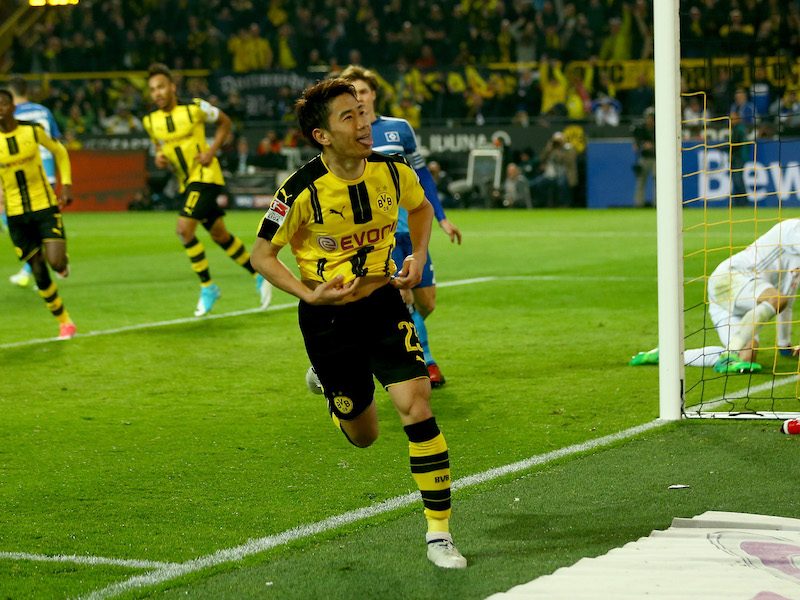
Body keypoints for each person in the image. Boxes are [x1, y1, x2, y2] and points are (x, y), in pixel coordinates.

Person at [249, 78, 467, 569]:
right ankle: (332, 388)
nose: (363, 123)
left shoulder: (392, 171)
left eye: (362, 113)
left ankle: (439, 533)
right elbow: (262, 256)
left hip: (383, 302)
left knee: (417, 405)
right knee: (364, 435)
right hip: (327, 319)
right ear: (322, 135)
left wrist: (419, 255)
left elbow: (421, 208)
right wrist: (308, 293)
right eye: (348, 117)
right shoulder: (299, 190)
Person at [340, 65, 462, 388]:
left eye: (363, 91)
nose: (359, 98)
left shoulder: (399, 129)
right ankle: (425, 362)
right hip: (381, 234)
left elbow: (422, 177)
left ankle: (379, 344)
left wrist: (442, 218)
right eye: (352, 93)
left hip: (414, 227)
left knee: (426, 302)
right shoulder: (347, 136)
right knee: (402, 297)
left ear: (373, 94)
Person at [142, 63, 271, 317]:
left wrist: (212, 151)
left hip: (205, 177)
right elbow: (159, 146)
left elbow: (225, 122)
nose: (157, 93)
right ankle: (258, 273)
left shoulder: (195, 108)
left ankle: (207, 286)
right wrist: (159, 157)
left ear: (172, 87)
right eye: (153, 89)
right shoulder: (150, 121)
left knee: (183, 229)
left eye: (161, 87)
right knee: (220, 234)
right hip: (186, 183)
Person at [630, 219, 800, 373]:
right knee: (776, 299)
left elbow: (787, 301)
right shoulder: (792, 229)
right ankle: (731, 352)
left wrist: (784, 344)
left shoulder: (795, 265)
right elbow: (779, 300)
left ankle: (668, 356)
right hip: (731, 278)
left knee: (746, 357)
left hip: (742, 301)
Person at [0, 88, 77, 340]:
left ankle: (62, 262)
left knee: (56, 262)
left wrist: (66, 185)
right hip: (16, 215)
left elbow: (60, 151)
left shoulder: (32, 131)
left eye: (2, 105)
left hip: (44, 206)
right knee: (38, 268)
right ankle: (64, 322)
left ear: (12, 107)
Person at [5, 76, 63, 289]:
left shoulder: (11, 116)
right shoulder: (43, 111)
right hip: (48, 175)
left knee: (15, 220)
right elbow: (56, 141)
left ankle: (34, 270)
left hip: (25, 177)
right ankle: (50, 262)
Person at [632, 107, 656, 207]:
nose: (649, 120)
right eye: (648, 118)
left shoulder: (659, 129)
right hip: (644, 158)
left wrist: (652, 146)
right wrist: (642, 145)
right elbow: (636, 145)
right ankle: (638, 204)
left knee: (658, 182)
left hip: (656, 159)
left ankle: (658, 203)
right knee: (641, 181)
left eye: (651, 118)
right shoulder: (641, 130)